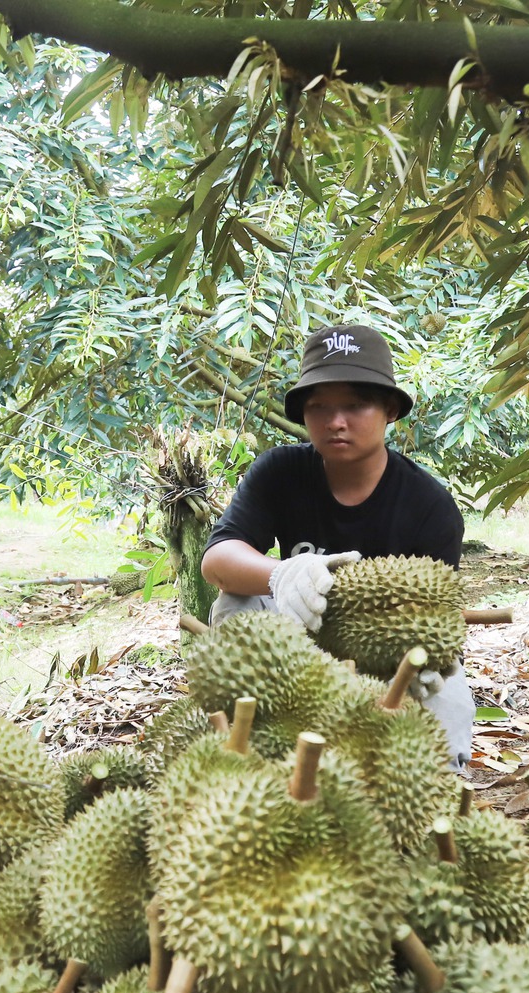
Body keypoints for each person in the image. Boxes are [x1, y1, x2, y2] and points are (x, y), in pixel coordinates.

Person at [200, 324, 473, 767]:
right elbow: (217, 559)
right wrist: (281, 574)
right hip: (293, 646)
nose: (335, 421)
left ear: (389, 410)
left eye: (354, 404)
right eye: (319, 406)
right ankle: (248, 746)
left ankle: (437, 784)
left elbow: (438, 619)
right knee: (236, 601)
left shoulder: (430, 506)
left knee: (450, 697)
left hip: (384, 656)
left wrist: (420, 660)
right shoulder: (279, 471)